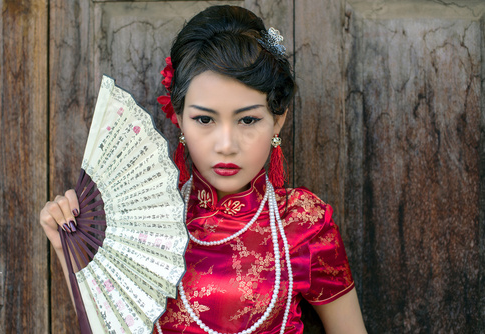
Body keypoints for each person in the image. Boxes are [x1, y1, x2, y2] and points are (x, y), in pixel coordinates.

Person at [39, 5, 367, 334]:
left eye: (248, 119)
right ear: (179, 118)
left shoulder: (302, 222)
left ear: (277, 119)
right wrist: (66, 244)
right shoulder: (140, 222)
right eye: (205, 119)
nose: (226, 144)